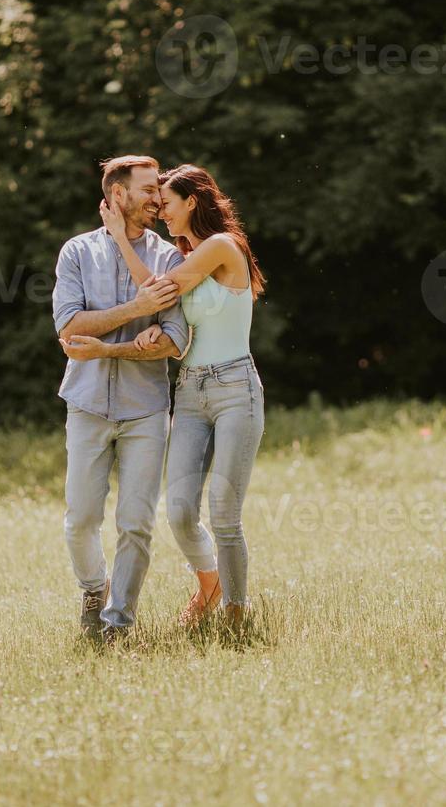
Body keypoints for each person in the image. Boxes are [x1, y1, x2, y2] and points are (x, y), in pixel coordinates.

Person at [99, 163, 265, 628]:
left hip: (236, 388)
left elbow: (158, 291)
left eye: (166, 203)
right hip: (190, 390)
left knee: (224, 511)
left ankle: (236, 614)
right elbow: (171, 311)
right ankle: (209, 587)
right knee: (179, 511)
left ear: (192, 201)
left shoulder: (220, 246)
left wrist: (117, 237)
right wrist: (157, 331)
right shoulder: (186, 251)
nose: (160, 210)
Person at [53, 155, 188, 639]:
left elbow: (172, 341)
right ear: (118, 195)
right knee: (81, 518)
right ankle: (94, 588)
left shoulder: (169, 258)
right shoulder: (75, 253)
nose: (159, 197)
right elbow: (69, 328)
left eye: (159, 189)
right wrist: (136, 311)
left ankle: (117, 621)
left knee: (136, 522)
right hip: (86, 404)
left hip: (146, 409)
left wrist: (110, 336)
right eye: (149, 189)